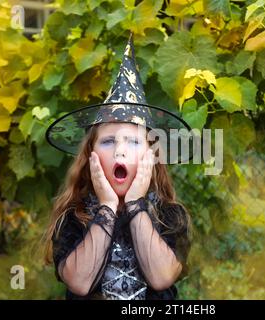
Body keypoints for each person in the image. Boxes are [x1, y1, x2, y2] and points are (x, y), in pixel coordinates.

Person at [42, 32, 193, 300]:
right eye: (109, 141)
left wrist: (135, 203)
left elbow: (161, 278)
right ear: (91, 155)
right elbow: (79, 283)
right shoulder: (72, 216)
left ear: (150, 156)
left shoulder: (170, 215)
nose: (120, 150)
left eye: (134, 142)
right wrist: (107, 208)